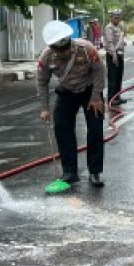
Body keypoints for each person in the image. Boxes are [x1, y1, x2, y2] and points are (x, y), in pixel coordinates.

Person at [37, 20, 107, 187]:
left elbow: (99, 72)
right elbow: (42, 82)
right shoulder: (46, 57)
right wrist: (44, 108)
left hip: (90, 90)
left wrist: (96, 97)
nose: (64, 52)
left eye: (66, 47)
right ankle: (70, 172)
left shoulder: (86, 48)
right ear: (53, 48)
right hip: (66, 92)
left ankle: (95, 172)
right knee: (62, 127)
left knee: (95, 129)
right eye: (59, 50)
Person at [103, 8, 128, 106]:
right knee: (112, 77)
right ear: (111, 18)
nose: (117, 20)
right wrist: (114, 55)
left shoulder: (118, 27)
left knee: (118, 77)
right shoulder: (109, 28)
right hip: (112, 55)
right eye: (115, 18)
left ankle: (117, 96)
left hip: (120, 54)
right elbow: (109, 43)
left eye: (119, 18)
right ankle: (111, 98)